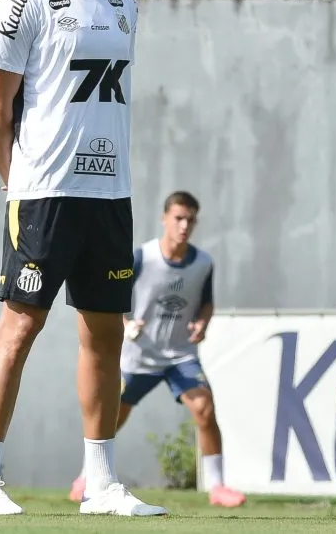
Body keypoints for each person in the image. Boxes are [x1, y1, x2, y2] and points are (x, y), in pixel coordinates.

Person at [0, 0, 167, 517]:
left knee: (105, 332)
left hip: (109, 194)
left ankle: (101, 482)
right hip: (43, 193)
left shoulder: (123, 3)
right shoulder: (22, 3)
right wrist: (14, 182)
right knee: (20, 327)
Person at [68, 191, 246, 508]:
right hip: (139, 357)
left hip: (180, 356)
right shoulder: (142, 257)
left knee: (204, 408)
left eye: (190, 220)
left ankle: (217, 487)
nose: (184, 226)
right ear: (164, 218)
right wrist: (126, 324)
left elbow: (206, 303)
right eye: (178, 218)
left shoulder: (203, 263)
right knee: (110, 418)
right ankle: (86, 478)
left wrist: (202, 323)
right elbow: (113, 295)